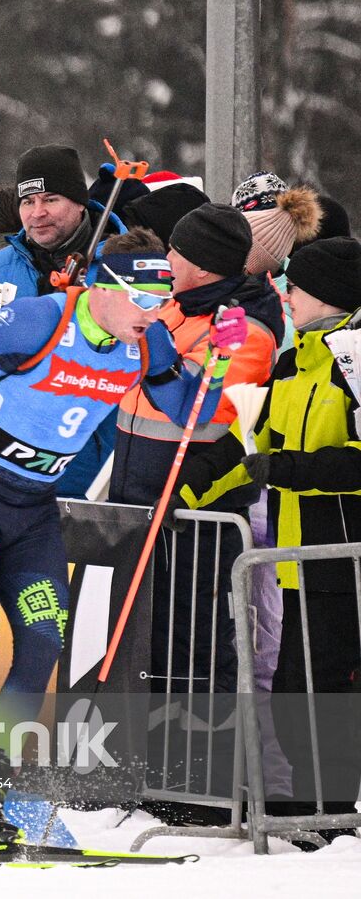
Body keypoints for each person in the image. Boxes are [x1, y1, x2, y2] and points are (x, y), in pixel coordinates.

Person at [0, 252, 246, 859]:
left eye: (162, 301)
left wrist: (219, 360)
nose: (155, 314)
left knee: (43, 641)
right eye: (144, 300)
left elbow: (194, 416)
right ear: (105, 289)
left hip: (34, 508)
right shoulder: (43, 320)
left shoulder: (145, 344)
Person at [168, 237, 361, 832]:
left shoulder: (353, 361)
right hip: (294, 556)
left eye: (295, 287)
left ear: (327, 293)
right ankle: (306, 805)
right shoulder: (294, 359)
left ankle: (330, 810)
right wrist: (188, 489)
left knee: (329, 690)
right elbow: (254, 442)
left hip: (345, 555)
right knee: (292, 692)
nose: (285, 296)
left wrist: (292, 471)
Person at [110, 206, 282, 694]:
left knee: (194, 651)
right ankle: (152, 761)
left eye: (174, 252)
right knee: (147, 646)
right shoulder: (177, 305)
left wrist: (153, 343)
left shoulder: (245, 329)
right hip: (141, 504)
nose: (165, 260)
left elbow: (200, 411)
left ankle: (203, 764)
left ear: (203, 267)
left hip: (195, 515)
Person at [0, 146, 127, 410]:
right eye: (28, 201)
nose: (37, 213)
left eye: (50, 199)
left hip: (94, 438)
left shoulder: (124, 266)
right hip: (9, 433)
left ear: (80, 203)